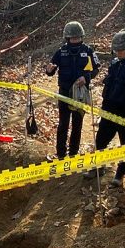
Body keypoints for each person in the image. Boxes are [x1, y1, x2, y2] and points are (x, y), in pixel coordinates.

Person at [84, 30, 125, 187]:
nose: (118, 53)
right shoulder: (114, 64)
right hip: (109, 110)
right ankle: (97, 166)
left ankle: (120, 173)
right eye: (116, 51)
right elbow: (109, 86)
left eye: (121, 50)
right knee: (101, 140)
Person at [45, 21, 100, 159]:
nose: (75, 41)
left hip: (81, 93)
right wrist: (49, 70)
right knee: (63, 124)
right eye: (72, 38)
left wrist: (86, 78)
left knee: (77, 124)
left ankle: (73, 154)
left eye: (78, 38)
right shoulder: (61, 51)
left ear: (82, 37)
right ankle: (61, 154)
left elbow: (96, 69)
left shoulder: (88, 51)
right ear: (67, 38)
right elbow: (51, 69)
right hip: (64, 92)